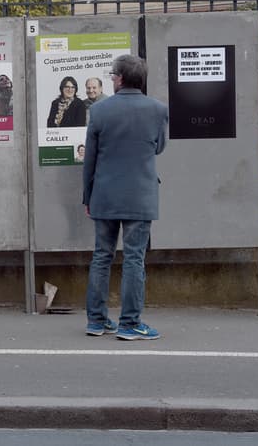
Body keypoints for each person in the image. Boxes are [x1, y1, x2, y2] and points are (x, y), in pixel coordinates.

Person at [82, 54, 168, 340]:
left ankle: (96, 321)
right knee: (134, 259)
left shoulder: (99, 110)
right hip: (139, 195)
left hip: (104, 194)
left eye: (112, 75)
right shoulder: (158, 109)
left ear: (119, 78)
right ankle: (130, 324)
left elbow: (90, 159)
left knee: (101, 257)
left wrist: (87, 197)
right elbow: (159, 148)